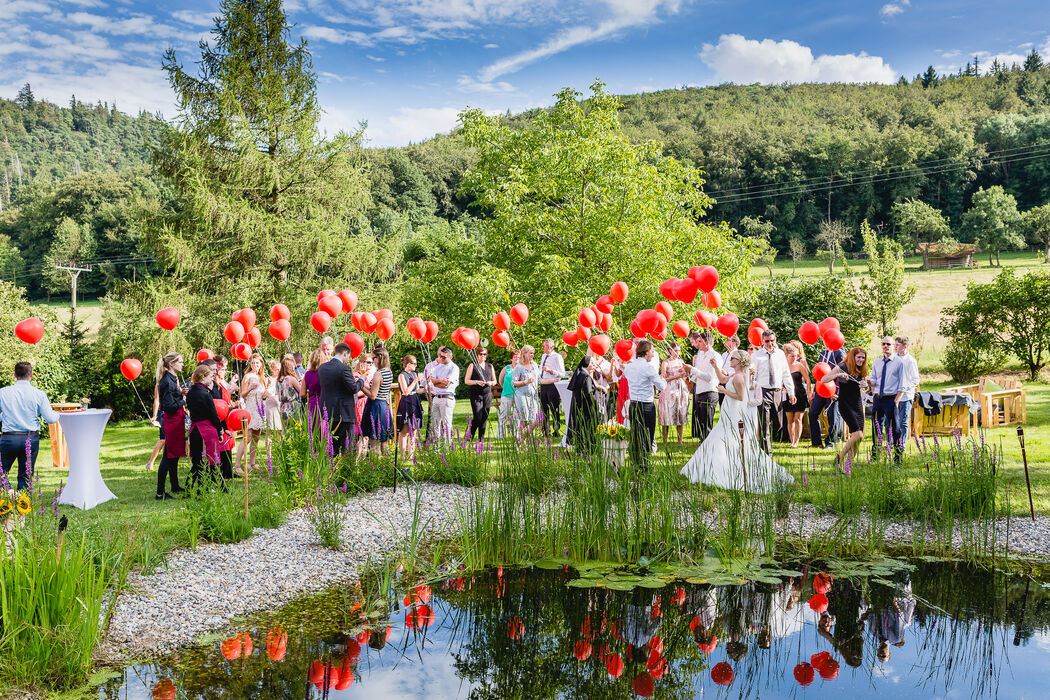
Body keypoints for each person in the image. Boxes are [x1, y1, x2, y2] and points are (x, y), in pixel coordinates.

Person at [680, 350, 794, 494]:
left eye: (733, 358)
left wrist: (724, 391)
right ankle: (713, 468)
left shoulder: (739, 378)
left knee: (723, 440)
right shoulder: (735, 375)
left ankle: (721, 471)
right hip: (728, 412)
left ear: (739, 361)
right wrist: (715, 367)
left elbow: (741, 397)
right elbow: (722, 379)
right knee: (719, 440)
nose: (730, 360)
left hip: (734, 413)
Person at [0, 361, 60, 491]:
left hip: (9, 438)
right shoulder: (39, 394)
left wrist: (5, 416)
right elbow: (50, 418)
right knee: (26, 476)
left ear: (14, 374)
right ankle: (22, 505)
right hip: (30, 438)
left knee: (1, 471)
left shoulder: (2, 393)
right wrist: (58, 413)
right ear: (31, 374)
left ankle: (8, 496)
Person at [820, 347, 871, 468]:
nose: (861, 360)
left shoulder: (862, 368)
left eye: (863, 358)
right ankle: (840, 457)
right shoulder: (842, 366)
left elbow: (865, 387)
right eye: (859, 357)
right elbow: (823, 379)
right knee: (857, 434)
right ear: (853, 357)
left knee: (859, 437)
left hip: (857, 404)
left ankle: (847, 467)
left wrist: (865, 385)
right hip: (845, 404)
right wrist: (838, 374)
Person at [622, 341, 667, 470]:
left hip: (634, 405)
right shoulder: (648, 367)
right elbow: (661, 386)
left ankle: (635, 461)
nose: (653, 355)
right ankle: (644, 462)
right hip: (646, 406)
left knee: (635, 433)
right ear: (646, 352)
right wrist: (662, 378)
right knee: (648, 434)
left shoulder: (629, 367)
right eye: (652, 351)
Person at [750, 329, 796, 453]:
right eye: (767, 341)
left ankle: (768, 441)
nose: (770, 343)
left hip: (777, 391)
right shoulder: (756, 356)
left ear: (775, 340)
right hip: (763, 391)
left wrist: (791, 392)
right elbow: (752, 375)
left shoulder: (780, 354)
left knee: (779, 424)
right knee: (764, 423)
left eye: (772, 340)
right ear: (762, 341)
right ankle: (766, 452)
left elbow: (786, 374)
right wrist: (753, 391)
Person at [318, 342, 365, 454]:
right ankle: (344, 469)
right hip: (344, 414)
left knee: (332, 446)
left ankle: (332, 469)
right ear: (345, 353)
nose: (348, 359)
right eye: (348, 356)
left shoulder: (322, 368)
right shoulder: (344, 368)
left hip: (328, 412)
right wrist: (361, 380)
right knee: (346, 447)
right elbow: (353, 388)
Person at [186, 364, 223, 491]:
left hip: (194, 429)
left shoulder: (190, 393)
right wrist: (220, 430)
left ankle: (189, 487)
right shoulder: (206, 394)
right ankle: (220, 487)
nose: (211, 379)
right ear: (202, 377)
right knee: (213, 460)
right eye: (209, 376)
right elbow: (213, 414)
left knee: (196, 462)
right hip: (206, 429)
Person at [154, 353, 186, 499]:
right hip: (171, 421)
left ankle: (174, 485)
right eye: (180, 362)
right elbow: (168, 406)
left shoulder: (174, 378)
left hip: (177, 420)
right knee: (168, 455)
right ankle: (160, 493)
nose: (182, 364)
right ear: (171, 364)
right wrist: (183, 400)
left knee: (174, 455)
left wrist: (181, 394)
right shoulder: (166, 381)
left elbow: (173, 398)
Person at [236, 353, 273, 474]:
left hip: (260, 409)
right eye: (253, 363)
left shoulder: (262, 377)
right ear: (250, 364)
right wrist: (250, 388)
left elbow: (262, 396)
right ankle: (237, 465)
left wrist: (266, 390)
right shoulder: (248, 376)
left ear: (261, 364)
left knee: (256, 437)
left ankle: (252, 463)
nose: (255, 365)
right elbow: (242, 395)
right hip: (251, 409)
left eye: (257, 363)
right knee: (248, 436)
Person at [869, 336, 903, 461]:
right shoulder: (877, 362)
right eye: (883, 344)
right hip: (878, 399)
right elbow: (874, 379)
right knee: (876, 426)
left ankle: (898, 456)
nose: (885, 346)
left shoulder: (899, 362)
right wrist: (870, 383)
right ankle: (875, 455)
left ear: (894, 346)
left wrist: (897, 400)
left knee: (895, 428)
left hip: (891, 399)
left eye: (888, 344)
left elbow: (902, 383)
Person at [200, 358, 234, 480]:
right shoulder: (201, 389)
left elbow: (220, 409)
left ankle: (222, 474)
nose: (216, 372)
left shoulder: (216, 387)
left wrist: (223, 428)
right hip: (205, 424)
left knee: (219, 449)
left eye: (216, 370)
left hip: (217, 421)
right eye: (214, 369)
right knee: (208, 453)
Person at [358, 346, 394, 457]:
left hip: (375, 406)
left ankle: (374, 467)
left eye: (373, 358)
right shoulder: (389, 372)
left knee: (373, 439)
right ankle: (388, 466)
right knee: (384, 439)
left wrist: (360, 385)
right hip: (384, 406)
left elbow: (373, 395)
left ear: (379, 358)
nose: (372, 361)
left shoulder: (378, 374)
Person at [809, 345, 846, 449]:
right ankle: (816, 442)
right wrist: (815, 390)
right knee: (812, 413)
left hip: (833, 391)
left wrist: (837, 391)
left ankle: (831, 443)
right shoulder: (822, 353)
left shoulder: (839, 353)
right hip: (820, 389)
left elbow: (842, 372)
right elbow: (819, 373)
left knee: (832, 417)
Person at [688, 332, 721, 441]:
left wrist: (693, 370)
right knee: (701, 422)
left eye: (699, 341)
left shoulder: (715, 356)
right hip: (699, 391)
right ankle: (703, 445)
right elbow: (697, 374)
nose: (697, 344)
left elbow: (709, 377)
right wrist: (688, 374)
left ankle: (708, 446)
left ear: (707, 343)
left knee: (707, 423)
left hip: (709, 392)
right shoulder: (701, 356)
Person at [657, 341, 690, 446]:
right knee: (666, 414)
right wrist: (675, 377)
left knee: (681, 413)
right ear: (670, 350)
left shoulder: (681, 362)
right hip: (669, 389)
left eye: (679, 350)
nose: (678, 352)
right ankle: (664, 441)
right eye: (675, 350)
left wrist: (684, 374)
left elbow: (685, 377)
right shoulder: (665, 363)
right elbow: (663, 378)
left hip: (680, 389)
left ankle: (679, 441)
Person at [566, 356, 599, 455]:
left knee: (579, 427)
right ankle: (590, 450)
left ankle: (579, 449)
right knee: (588, 428)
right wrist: (596, 405)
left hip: (578, 405)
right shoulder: (586, 376)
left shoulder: (580, 374)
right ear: (587, 364)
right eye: (592, 363)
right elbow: (588, 394)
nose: (594, 365)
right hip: (586, 408)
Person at [425, 346, 459, 442]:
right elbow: (432, 380)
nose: (441, 359)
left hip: (447, 398)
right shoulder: (438, 367)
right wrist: (440, 381)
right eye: (440, 356)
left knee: (447, 424)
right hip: (436, 397)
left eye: (444, 357)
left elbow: (446, 384)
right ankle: (437, 448)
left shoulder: (454, 368)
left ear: (450, 357)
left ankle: (447, 449)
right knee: (435, 424)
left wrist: (437, 382)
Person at [895, 336, 920, 458]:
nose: (895, 347)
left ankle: (902, 445)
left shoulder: (911, 361)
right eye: (894, 345)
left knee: (903, 422)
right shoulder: (893, 359)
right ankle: (893, 443)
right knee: (893, 422)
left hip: (906, 397)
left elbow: (915, 379)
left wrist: (904, 387)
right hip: (893, 397)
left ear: (905, 346)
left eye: (897, 345)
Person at [464, 347, 496, 442]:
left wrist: (491, 383)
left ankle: (481, 439)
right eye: (481, 354)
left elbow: (495, 381)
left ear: (486, 355)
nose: (482, 356)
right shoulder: (472, 365)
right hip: (476, 395)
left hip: (487, 394)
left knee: (484, 417)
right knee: (477, 416)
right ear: (477, 355)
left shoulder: (490, 366)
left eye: (484, 354)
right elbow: (466, 381)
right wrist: (476, 382)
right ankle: (469, 437)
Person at [784, 341, 812, 448]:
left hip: (800, 394)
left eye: (796, 356)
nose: (794, 358)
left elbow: (808, 380)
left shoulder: (800, 365)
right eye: (792, 356)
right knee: (790, 419)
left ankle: (796, 441)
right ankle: (792, 440)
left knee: (798, 419)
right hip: (787, 394)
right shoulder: (784, 366)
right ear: (787, 356)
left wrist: (809, 392)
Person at [512, 345, 542, 443]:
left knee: (534, 421)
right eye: (530, 353)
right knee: (524, 420)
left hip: (533, 397)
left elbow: (538, 380)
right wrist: (526, 382)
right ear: (524, 354)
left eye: (533, 353)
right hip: (522, 396)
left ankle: (519, 440)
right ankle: (522, 443)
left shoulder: (535, 365)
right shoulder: (518, 367)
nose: (532, 355)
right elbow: (514, 383)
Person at [396, 355, 424, 459]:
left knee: (414, 431)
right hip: (406, 403)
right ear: (408, 364)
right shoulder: (402, 375)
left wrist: (427, 388)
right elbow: (406, 392)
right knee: (404, 432)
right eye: (414, 364)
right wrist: (416, 380)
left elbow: (417, 390)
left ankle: (411, 456)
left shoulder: (413, 374)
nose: (416, 366)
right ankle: (403, 456)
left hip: (415, 402)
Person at [538, 339, 566, 438]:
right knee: (544, 409)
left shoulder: (557, 357)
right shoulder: (543, 356)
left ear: (550, 347)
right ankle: (545, 431)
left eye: (544, 346)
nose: (542, 348)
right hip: (543, 384)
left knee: (554, 408)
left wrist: (551, 371)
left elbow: (562, 373)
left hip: (553, 385)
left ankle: (556, 430)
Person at [496, 350, 520, 438]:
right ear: (511, 358)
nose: (516, 358)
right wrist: (506, 388)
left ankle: (516, 434)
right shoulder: (506, 368)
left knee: (517, 415)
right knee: (504, 415)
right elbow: (500, 380)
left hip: (518, 395)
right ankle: (500, 435)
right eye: (515, 357)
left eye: (518, 356)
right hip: (506, 395)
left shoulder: (521, 368)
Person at [300, 349, 326, 421]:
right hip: (323, 403)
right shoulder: (325, 374)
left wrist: (310, 392)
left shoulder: (307, 374)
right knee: (323, 428)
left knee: (313, 428)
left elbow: (302, 394)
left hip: (312, 403)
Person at [146, 382, 164, 471]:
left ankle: (165, 464)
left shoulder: (175, 379)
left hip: (173, 412)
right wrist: (155, 415)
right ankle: (150, 463)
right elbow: (157, 400)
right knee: (163, 439)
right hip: (163, 413)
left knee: (167, 440)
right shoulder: (159, 384)